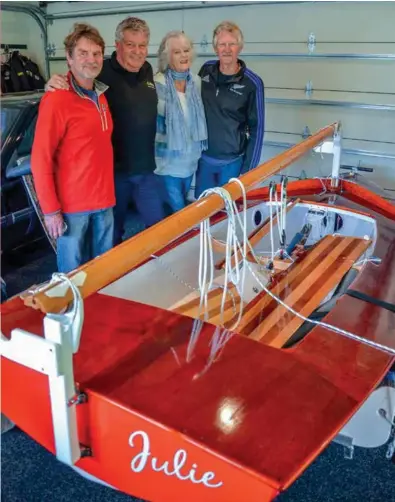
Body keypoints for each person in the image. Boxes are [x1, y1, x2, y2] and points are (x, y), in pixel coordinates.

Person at [46, 17, 165, 245]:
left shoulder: (147, 70)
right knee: (112, 237)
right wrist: (51, 83)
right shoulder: (101, 72)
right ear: (117, 45)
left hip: (145, 170)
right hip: (113, 174)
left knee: (160, 230)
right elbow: (75, 83)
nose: (137, 52)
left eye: (142, 45)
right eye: (131, 44)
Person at [31, 23, 115, 273]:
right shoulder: (56, 99)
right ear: (69, 58)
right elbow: (40, 159)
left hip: (105, 201)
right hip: (71, 209)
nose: (91, 59)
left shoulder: (101, 94)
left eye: (97, 53)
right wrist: (50, 211)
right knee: (71, 278)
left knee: (104, 272)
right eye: (83, 53)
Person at [195, 21, 265, 197]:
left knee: (229, 214)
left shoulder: (252, 83)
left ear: (239, 47)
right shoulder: (205, 71)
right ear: (215, 48)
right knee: (201, 214)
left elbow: (258, 128)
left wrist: (248, 170)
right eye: (222, 44)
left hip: (232, 163)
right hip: (204, 161)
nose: (227, 49)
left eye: (231, 44)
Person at [154, 31, 207, 213]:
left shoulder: (197, 82)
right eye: (177, 52)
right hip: (166, 166)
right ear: (167, 57)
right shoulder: (156, 84)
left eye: (186, 50)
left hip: (190, 163)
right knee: (177, 215)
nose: (184, 55)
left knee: (179, 211)